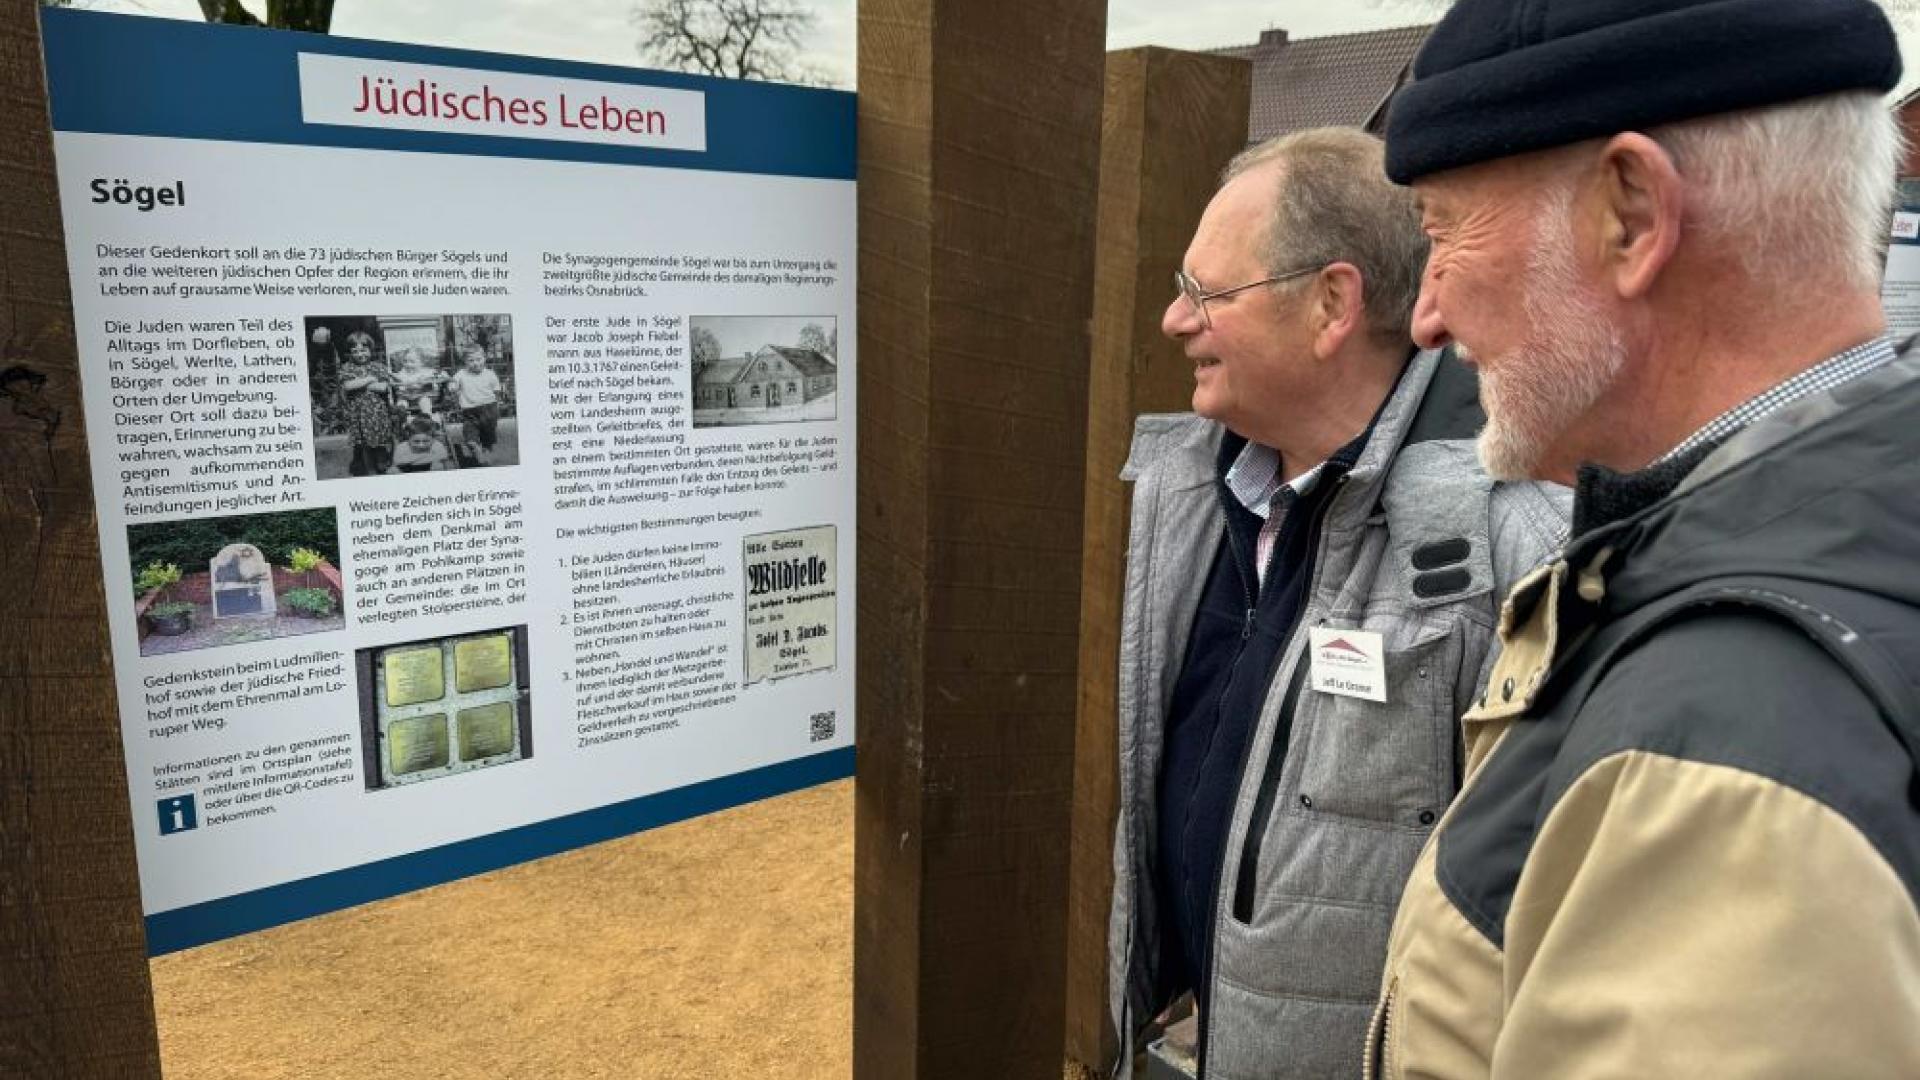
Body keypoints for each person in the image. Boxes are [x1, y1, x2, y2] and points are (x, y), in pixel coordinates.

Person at [1365, 1, 1920, 1076]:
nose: (1427, 314)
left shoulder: (1736, 741)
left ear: (1630, 217)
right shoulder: (1849, 536)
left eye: (1443, 228)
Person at [1105, 128, 1569, 1080]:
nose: (1171, 320)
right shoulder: (1197, 496)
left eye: (1205, 292)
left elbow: (1532, 939)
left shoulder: (1509, 549)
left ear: (1332, 303)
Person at [336, 329, 393, 476]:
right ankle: (370, 471)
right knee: (364, 446)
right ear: (350, 353)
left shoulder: (378, 366)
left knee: (380, 443)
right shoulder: (347, 367)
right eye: (355, 351)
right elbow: (348, 386)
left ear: (370, 349)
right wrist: (368, 379)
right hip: (358, 414)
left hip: (377, 412)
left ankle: (382, 464)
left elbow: (382, 387)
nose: (360, 354)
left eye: (363, 350)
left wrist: (358, 383)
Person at [449, 346, 504, 465]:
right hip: (469, 409)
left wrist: (498, 402)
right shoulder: (461, 374)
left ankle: (487, 448)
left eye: (478, 359)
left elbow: (496, 389)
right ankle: (472, 443)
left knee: (488, 431)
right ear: (465, 362)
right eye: (471, 360)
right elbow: (453, 384)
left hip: (489, 407)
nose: (475, 363)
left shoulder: (490, 374)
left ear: (484, 359)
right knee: (469, 428)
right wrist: (453, 387)